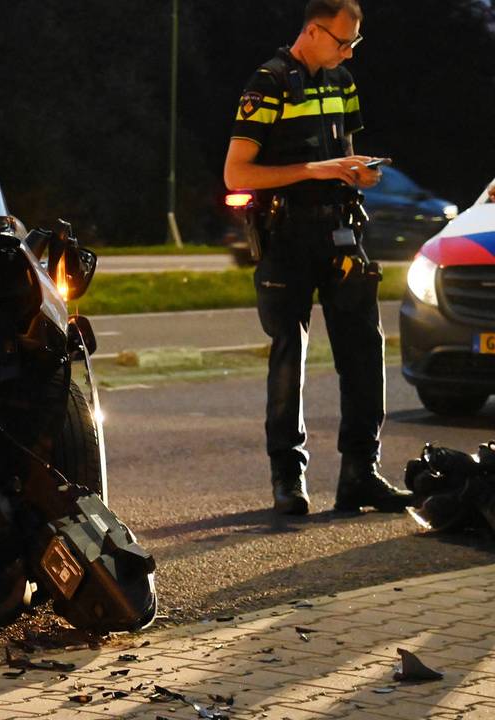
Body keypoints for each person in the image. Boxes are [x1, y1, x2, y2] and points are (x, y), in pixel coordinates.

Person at [224, 0, 413, 516]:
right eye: (341, 40)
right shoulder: (268, 83)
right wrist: (317, 169)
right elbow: (237, 174)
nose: (349, 50)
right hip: (286, 235)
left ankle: (361, 473)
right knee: (289, 355)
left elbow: (343, 155)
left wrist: (358, 172)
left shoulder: (342, 81)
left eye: (355, 42)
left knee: (363, 352)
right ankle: (288, 479)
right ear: (312, 30)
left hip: (342, 231)